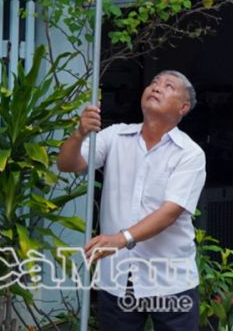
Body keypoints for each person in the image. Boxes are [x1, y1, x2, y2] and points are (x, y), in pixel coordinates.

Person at [57, 70, 206, 331]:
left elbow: (170, 212)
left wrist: (120, 239)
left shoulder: (190, 154)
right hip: (117, 277)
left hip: (169, 281)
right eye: (154, 82)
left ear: (183, 107)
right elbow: (67, 164)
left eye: (169, 85)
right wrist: (80, 132)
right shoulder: (115, 137)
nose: (157, 87)